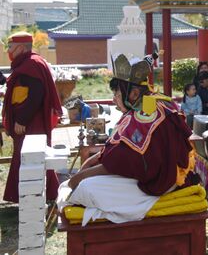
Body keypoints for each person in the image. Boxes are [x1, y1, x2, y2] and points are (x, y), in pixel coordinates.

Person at [66, 54, 197, 223]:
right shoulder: (157, 101)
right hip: (159, 173)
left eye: (117, 94)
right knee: (87, 182)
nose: (114, 100)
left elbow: (127, 159)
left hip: (161, 182)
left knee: (86, 187)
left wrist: (81, 176)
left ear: (134, 93)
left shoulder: (147, 112)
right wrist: (95, 160)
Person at [2, 32, 63, 203]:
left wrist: (21, 120)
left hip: (30, 124)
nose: (8, 50)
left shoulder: (31, 64)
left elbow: (36, 94)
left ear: (20, 47)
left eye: (10, 46)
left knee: (31, 159)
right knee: (34, 158)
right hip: (31, 122)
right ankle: (42, 196)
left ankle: (34, 198)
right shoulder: (29, 63)